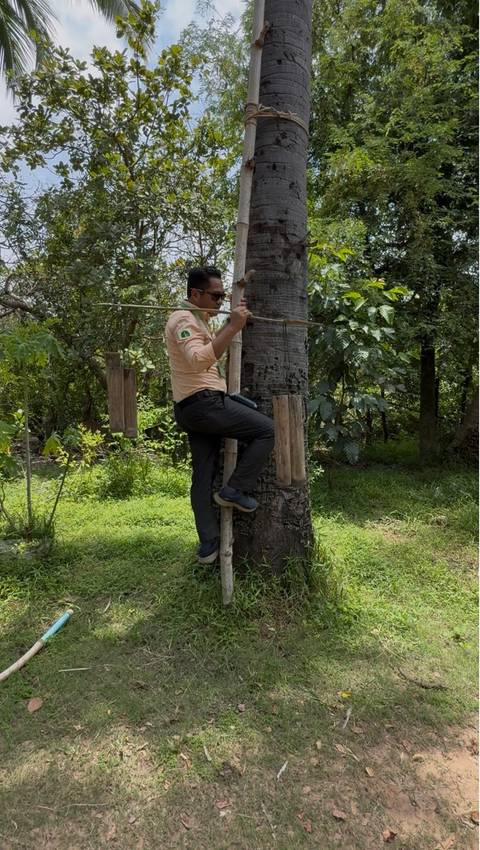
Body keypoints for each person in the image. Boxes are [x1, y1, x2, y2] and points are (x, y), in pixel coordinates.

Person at [165, 266, 274, 565]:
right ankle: (234, 490)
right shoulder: (183, 319)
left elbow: (212, 351)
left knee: (203, 474)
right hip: (204, 404)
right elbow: (198, 360)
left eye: (222, 296)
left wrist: (228, 323)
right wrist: (233, 327)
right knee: (266, 430)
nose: (219, 301)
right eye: (215, 296)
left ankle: (208, 544)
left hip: (192, 408)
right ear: (195, 294)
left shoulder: (198, 319)